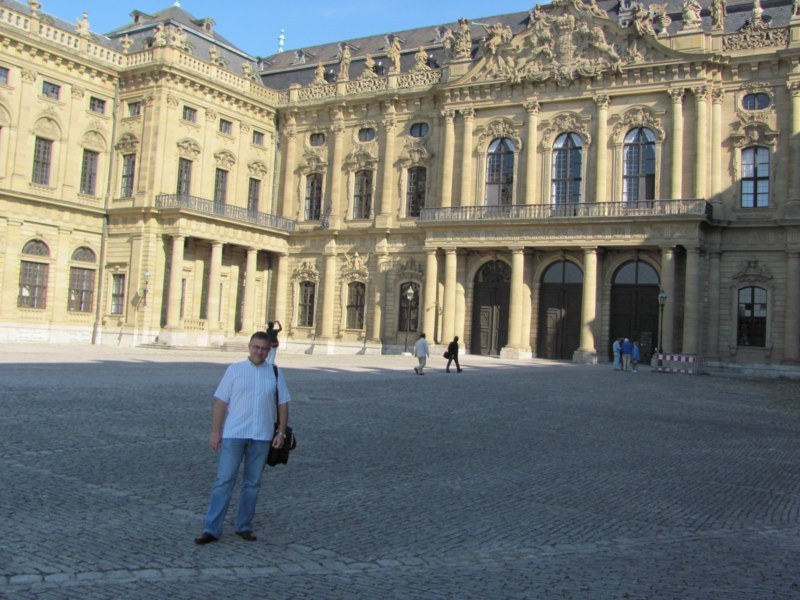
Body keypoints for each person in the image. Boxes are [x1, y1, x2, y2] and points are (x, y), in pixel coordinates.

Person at [195, 331, 291, 544]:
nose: (259, 352)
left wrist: (281, 432)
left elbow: (283, 403)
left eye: (264, 349)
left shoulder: (275, 373)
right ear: (249, 346)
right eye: (256, 347)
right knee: (224, 481)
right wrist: (216, 432)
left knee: (252, 483)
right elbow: (221, 403)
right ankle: (211, 528)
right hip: (234, 434)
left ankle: (244, 525)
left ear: (269, 350)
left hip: (262, 435)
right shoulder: (234, 370)